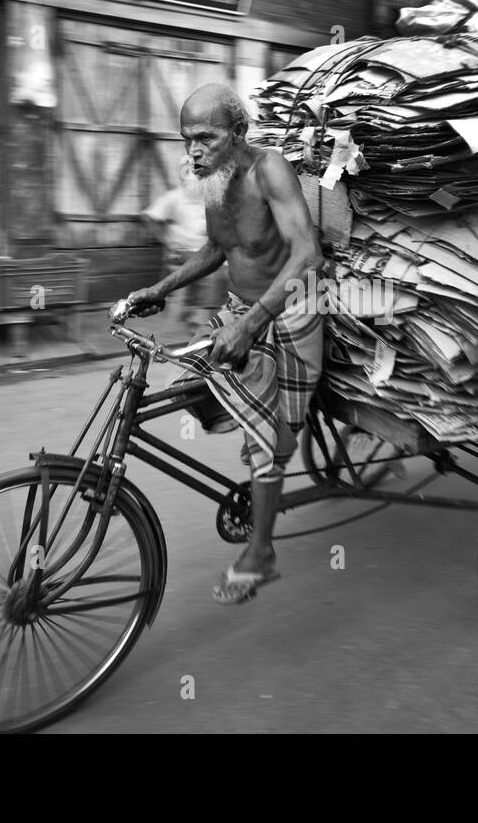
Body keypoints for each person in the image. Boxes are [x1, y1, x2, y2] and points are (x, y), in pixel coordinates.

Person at [113, 84, 325, 606]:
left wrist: (252, 325)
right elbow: (218, 248)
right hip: (239, 312)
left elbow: (308, 254)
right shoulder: (212, 179)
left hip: (291, 316)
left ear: (240, 133)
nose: (194, 151)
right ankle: (253, 451)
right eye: (187, 140)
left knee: (269, 444)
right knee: (188, 384)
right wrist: (159, 290)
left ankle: (262, 553)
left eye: (205, 138)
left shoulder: (268, 169)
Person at [142, 181, 227, 331]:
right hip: (181, 252)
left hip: (205, 251)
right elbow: (148, 217)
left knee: (226, 269)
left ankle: (205, 316)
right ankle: (202, 320)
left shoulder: (210, 198)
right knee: (213, 272)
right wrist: (166, 241)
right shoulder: (175, 196)